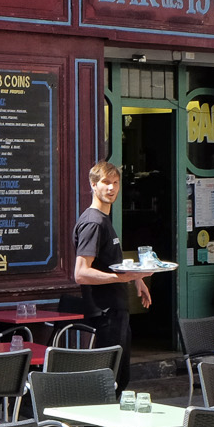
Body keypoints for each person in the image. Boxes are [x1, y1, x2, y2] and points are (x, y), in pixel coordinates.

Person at [72, 160, 151, 393]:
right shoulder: (93, 223)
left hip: (116, 310)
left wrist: (136, 278)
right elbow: (81, 273)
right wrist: (120, 279)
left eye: (115, 183)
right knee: (109, 379)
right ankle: (97, 419)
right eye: (106, 182)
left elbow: (110, 261)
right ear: (93, 185)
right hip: (105, 312)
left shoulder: (104, 219)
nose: (111, 188)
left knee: (120, 377)